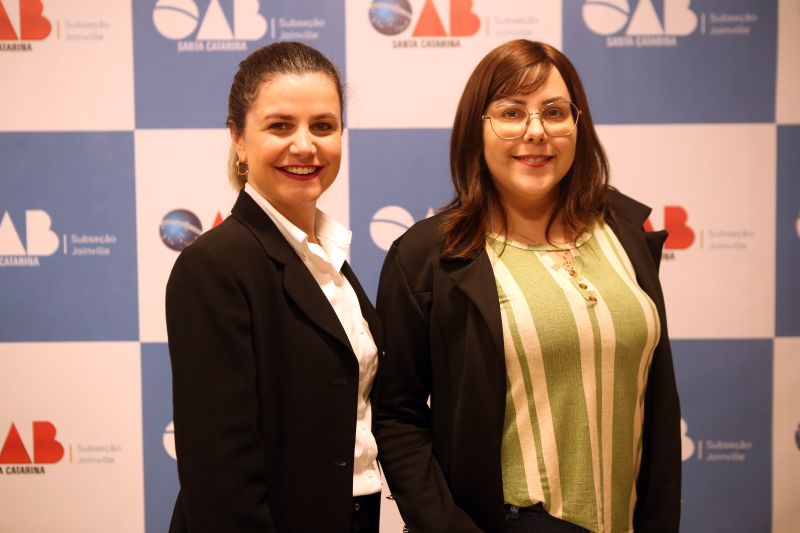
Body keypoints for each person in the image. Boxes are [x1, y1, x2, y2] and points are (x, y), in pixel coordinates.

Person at [374, 39, 681, 533]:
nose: (536, 131)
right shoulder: (427, 257)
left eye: (554, 112)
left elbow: (656, 400)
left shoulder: (624, 231)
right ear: (476, 130)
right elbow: (396, 416)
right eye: (511, 113)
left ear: (577, 125)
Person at [166, 42, 383, 533]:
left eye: (323, 126)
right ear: (239, 139)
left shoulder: (327, 257)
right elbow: (221, 480)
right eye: (280, 126)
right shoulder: (214, 267)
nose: (305, 146)